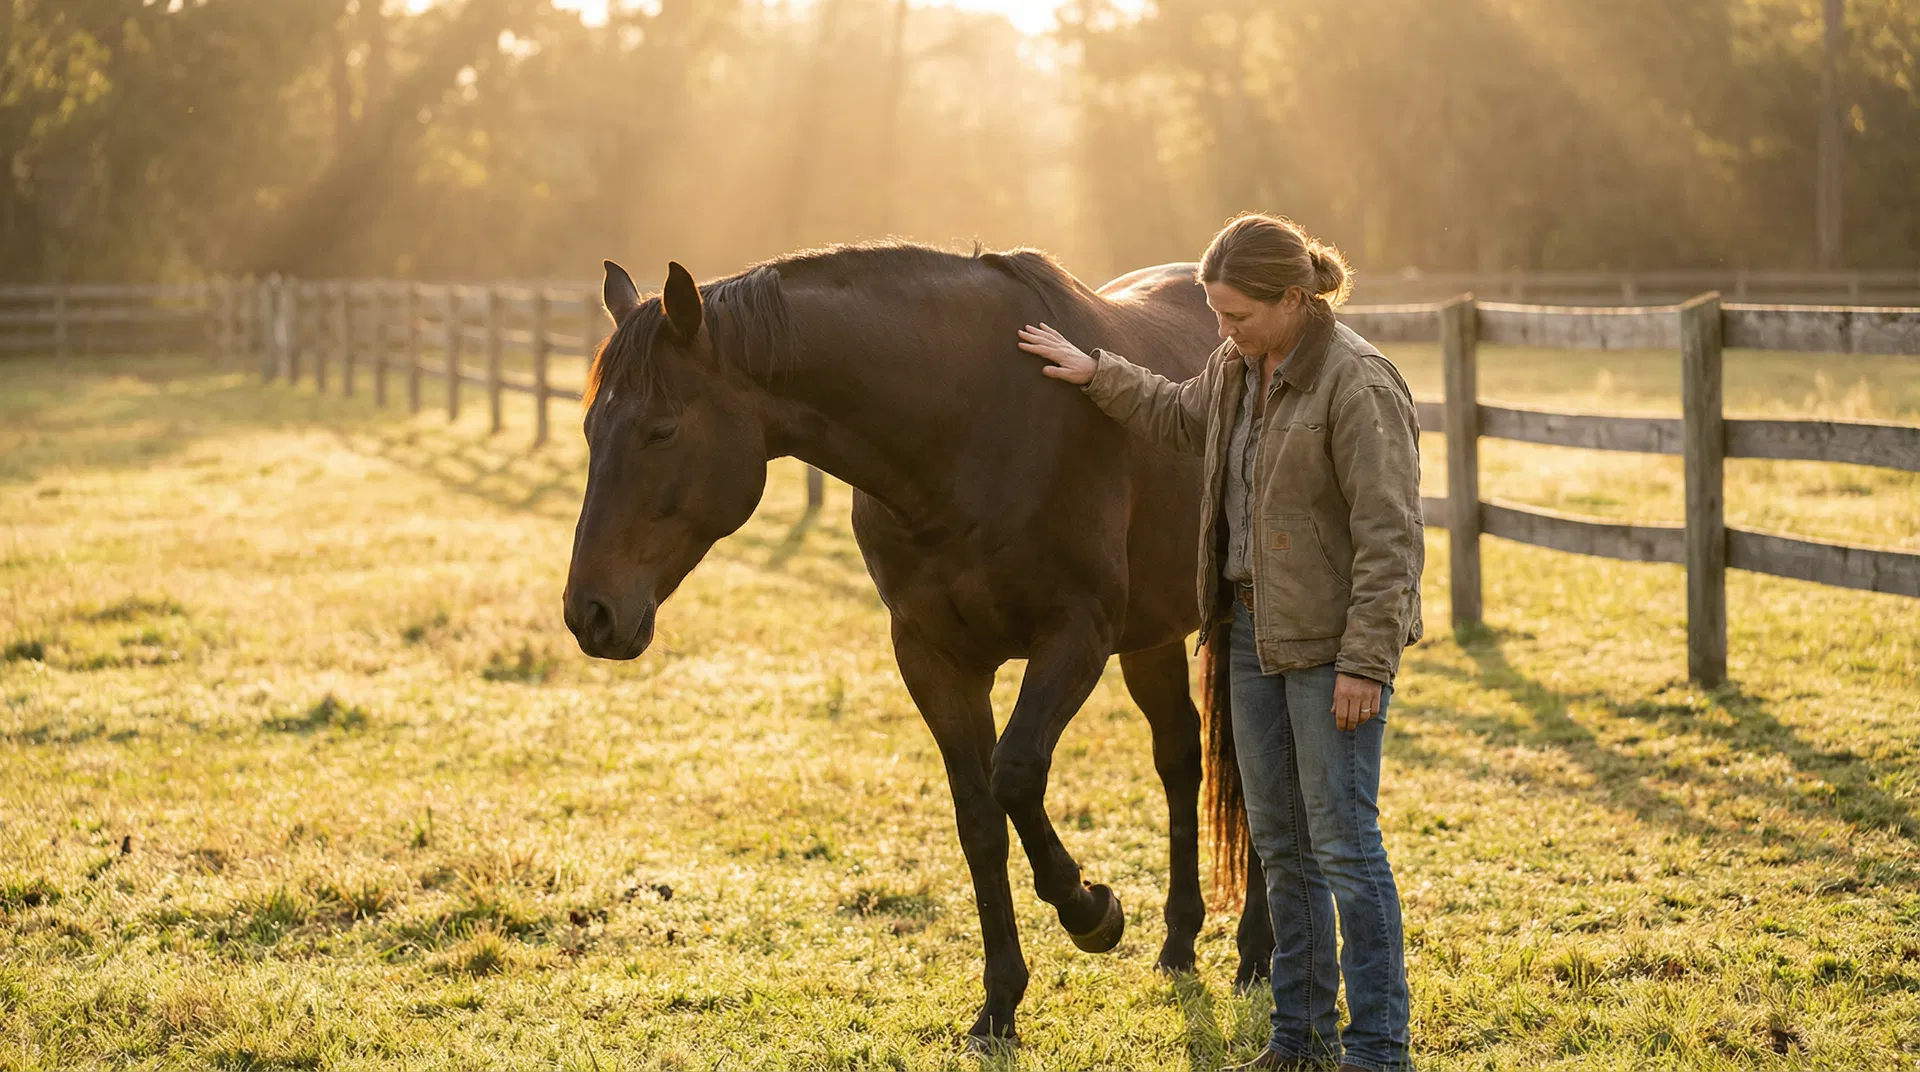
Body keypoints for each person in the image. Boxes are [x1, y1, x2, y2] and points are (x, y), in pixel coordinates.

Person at [1016, 213, 1423, 1072]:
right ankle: (1298, 1040)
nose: (1221, 330)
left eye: (1236, 314)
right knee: (1282, 847)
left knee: (1346, 848)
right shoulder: (1238, 368)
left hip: (1326, 651)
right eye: (1214, 314)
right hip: (1243, 636)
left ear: (1295, 299)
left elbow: (1391, 539)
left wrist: (1364, 662)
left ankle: (1380, 1051)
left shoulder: (1358, 383)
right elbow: (1173, 414)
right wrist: (1095, 370)